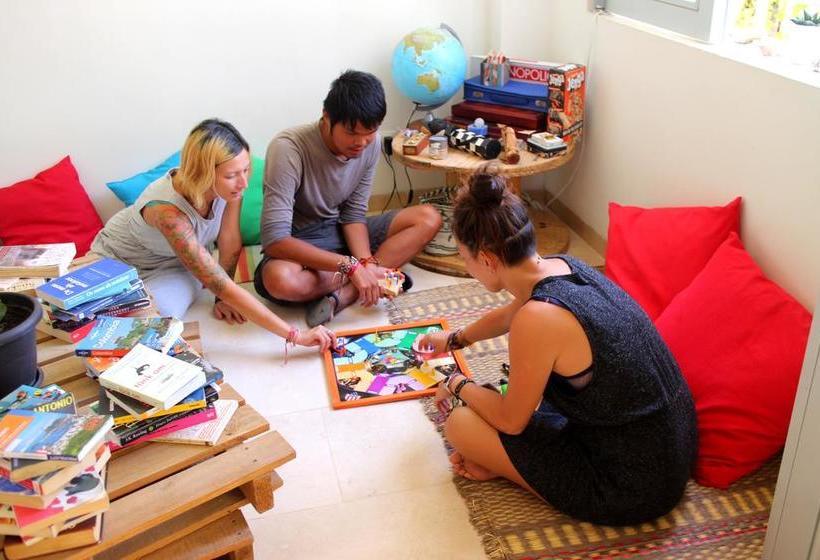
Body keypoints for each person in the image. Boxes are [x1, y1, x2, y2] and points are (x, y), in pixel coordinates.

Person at [416, 169, 697, 526]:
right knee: (512, 403)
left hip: (632, 487)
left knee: (461, 424)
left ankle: (514, 472)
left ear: (486, 259)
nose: (466, 266)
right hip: (676, 448)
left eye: (464, 257)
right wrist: (455, 339)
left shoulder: (538, 318)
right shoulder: (564, 266)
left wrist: (457, 383)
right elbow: (510, 313)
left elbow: (511, 421)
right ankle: (511, 462)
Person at [90, 119, 335, 352]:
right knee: (111, 328)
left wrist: (220, 298)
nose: (243, 183)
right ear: (202, 173)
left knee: (158, 325)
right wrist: (296, 336)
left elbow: (229, 241)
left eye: (245, 170)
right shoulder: (167, 213)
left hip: (175, 267)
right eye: (231, 175)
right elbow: (221, 285)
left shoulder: (231, 190)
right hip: (116, 262)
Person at [254, 70, 442, 327]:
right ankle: (371, 279)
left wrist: (364, 262)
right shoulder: (288, 148)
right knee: (280, 280)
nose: (361, 142)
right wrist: (351, 267)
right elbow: (275, 241)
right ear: (327, 117)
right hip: (301, 241)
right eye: (352, 132)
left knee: (428, 218)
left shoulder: (371, 144)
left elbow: (353, 215)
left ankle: (345, 295)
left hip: (341, 234)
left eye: (370, 132)